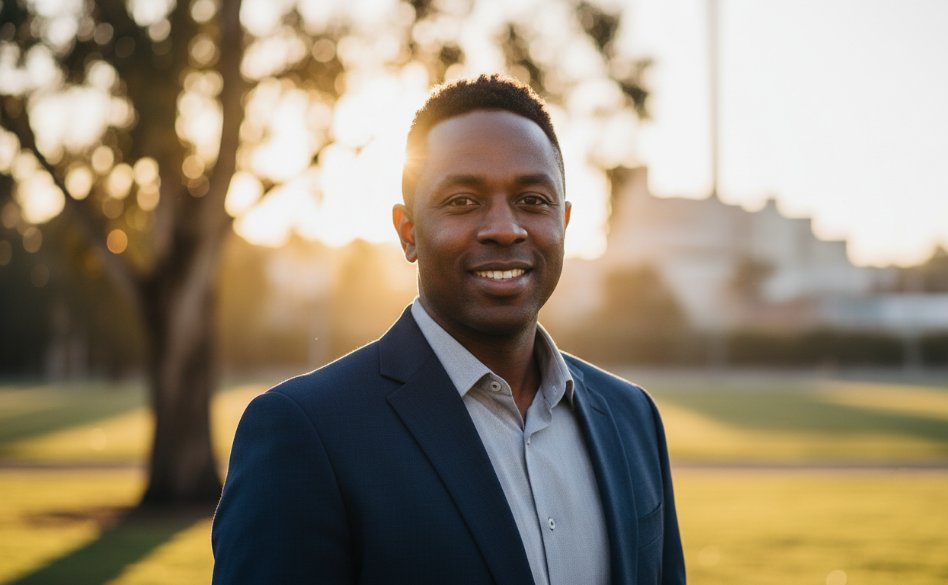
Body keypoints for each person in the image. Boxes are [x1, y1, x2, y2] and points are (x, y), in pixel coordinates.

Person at [211, 74, 685, 585]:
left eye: (533, 200)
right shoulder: (305, 432)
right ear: (408, 232)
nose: (505, 228)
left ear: (564, 223)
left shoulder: (633, 418)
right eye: (463, 201)